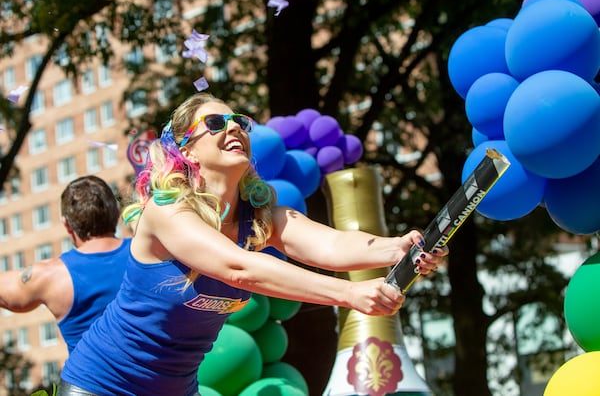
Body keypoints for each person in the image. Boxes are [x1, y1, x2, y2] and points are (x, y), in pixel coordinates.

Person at [58, 93, 448, 396]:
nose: (234, 128)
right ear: (187, 148)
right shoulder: (166, 211)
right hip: (100, 385)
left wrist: (397, 247)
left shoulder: (259, 218)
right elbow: (239, 268)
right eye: (215, 122)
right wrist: (349, 293)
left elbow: (330, 245)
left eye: (239, 122)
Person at [0, 175, 130, 355]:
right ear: (117, 215)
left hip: (89, 382)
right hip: (164, 380)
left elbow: (10, 294)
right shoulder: (150, 254)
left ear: (67, 225)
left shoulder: (52, 275)